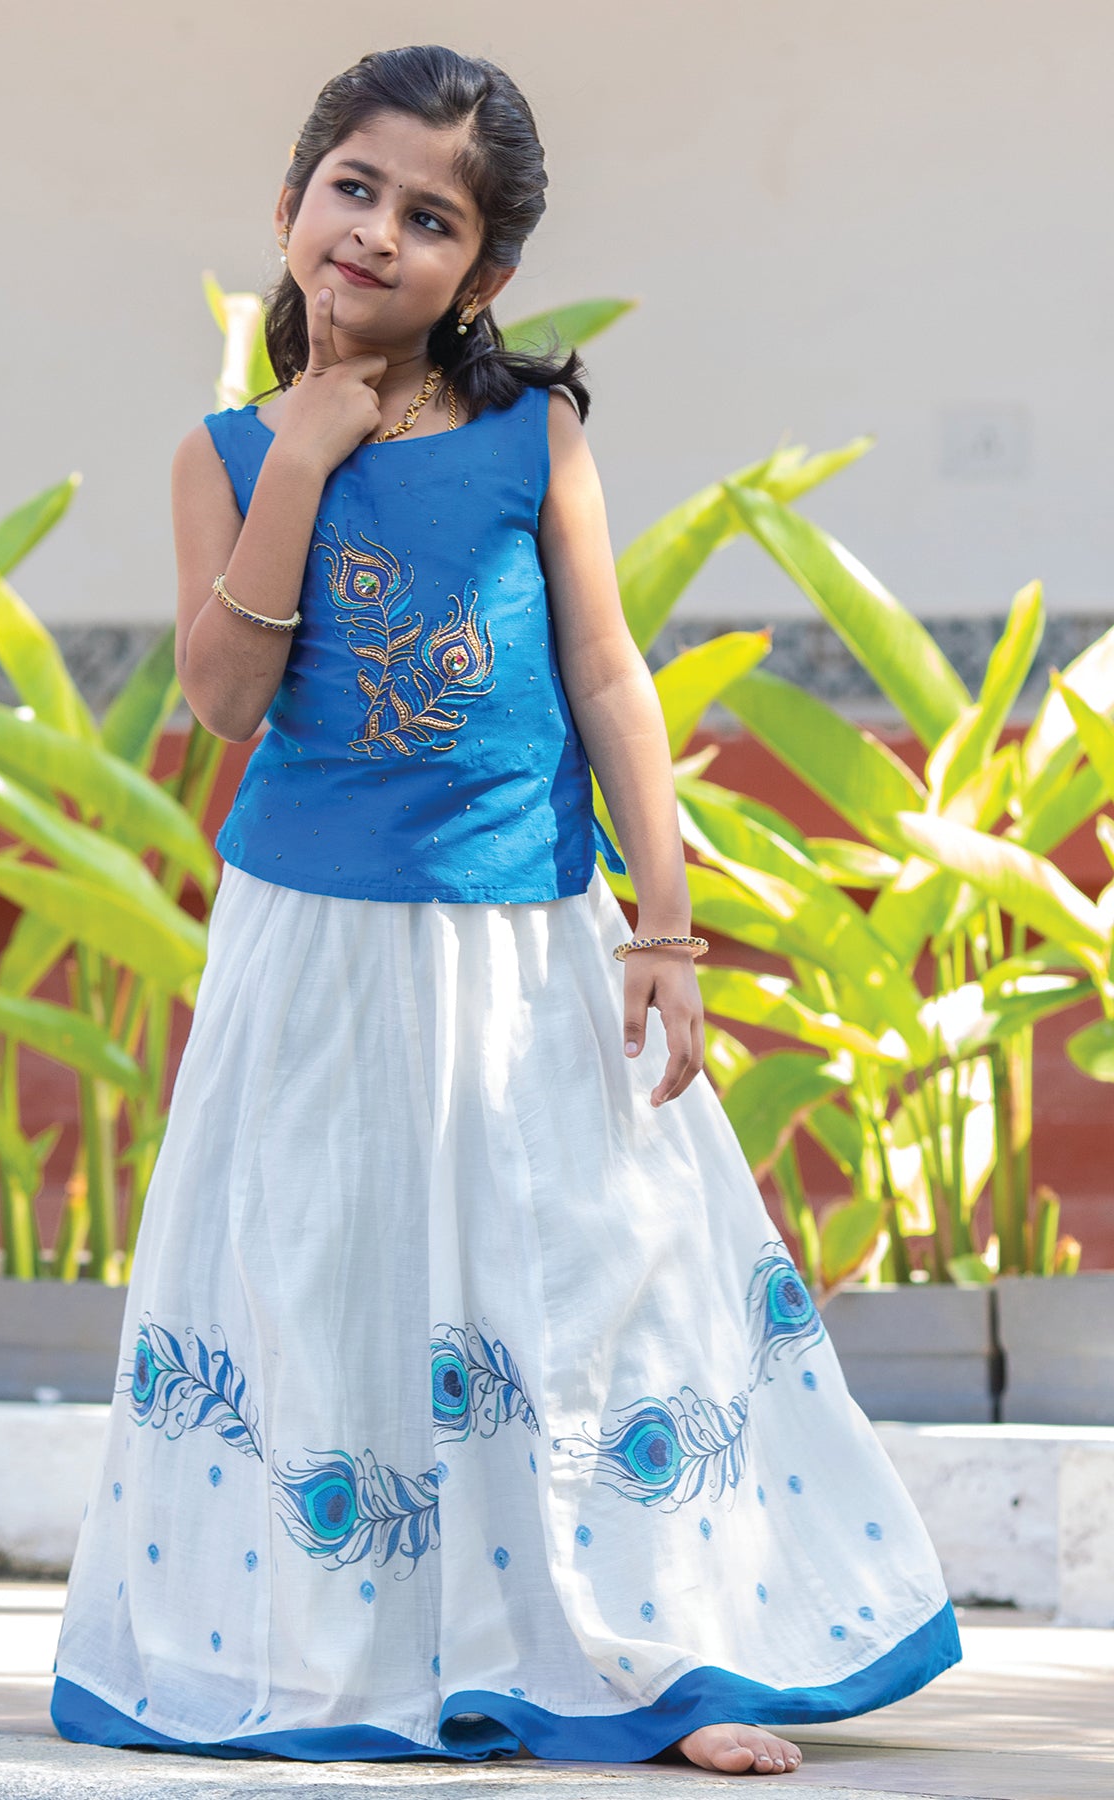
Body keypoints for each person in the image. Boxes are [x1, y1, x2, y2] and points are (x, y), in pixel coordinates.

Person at [50, 42, 961, 1777]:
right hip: (312, 952)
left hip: (529, 940)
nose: (379, 232)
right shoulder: (227, 451)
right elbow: (224, 704)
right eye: (354, 188)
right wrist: (305, 456)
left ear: (488, 274)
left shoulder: (535, 437)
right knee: (324, 1284)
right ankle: (331, 1656)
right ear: (290, 202)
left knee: (598, 1278)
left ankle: (659, 1657)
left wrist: (669, 928)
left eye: (431, 215)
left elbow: (612, 680)